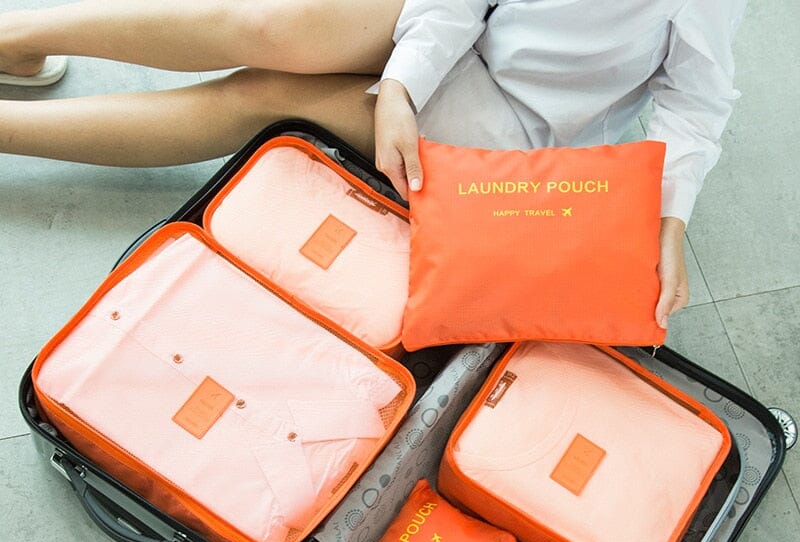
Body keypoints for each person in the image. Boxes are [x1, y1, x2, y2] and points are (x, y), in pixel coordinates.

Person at [0, 0, 746, 329]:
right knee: (268, 24)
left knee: (262, 97)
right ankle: (16, 34)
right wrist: (401, 82)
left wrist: (669, 217)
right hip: (452, 23)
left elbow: (697, 101)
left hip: (510, 117)